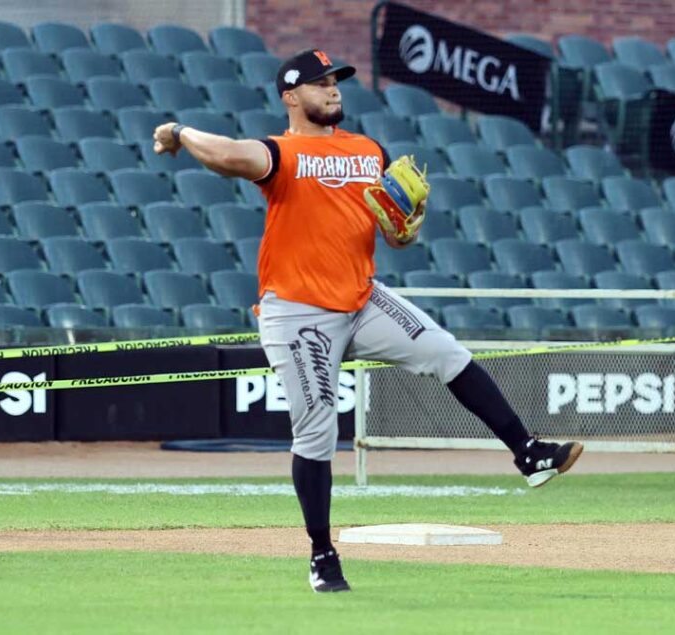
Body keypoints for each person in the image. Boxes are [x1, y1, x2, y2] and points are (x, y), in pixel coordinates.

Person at [153, 48, 583, 594]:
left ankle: (527, 452)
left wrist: (406, 232)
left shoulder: (368, 150)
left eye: (336, 81)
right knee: (316, 432)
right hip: (298, 311)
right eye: (319, 83)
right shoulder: (283, 153)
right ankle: (322, 555)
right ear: (291, 96)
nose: (333, 90)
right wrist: (179, 131)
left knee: (446, 352)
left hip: (360, 298)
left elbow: (395, 231)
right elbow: (230, 155)